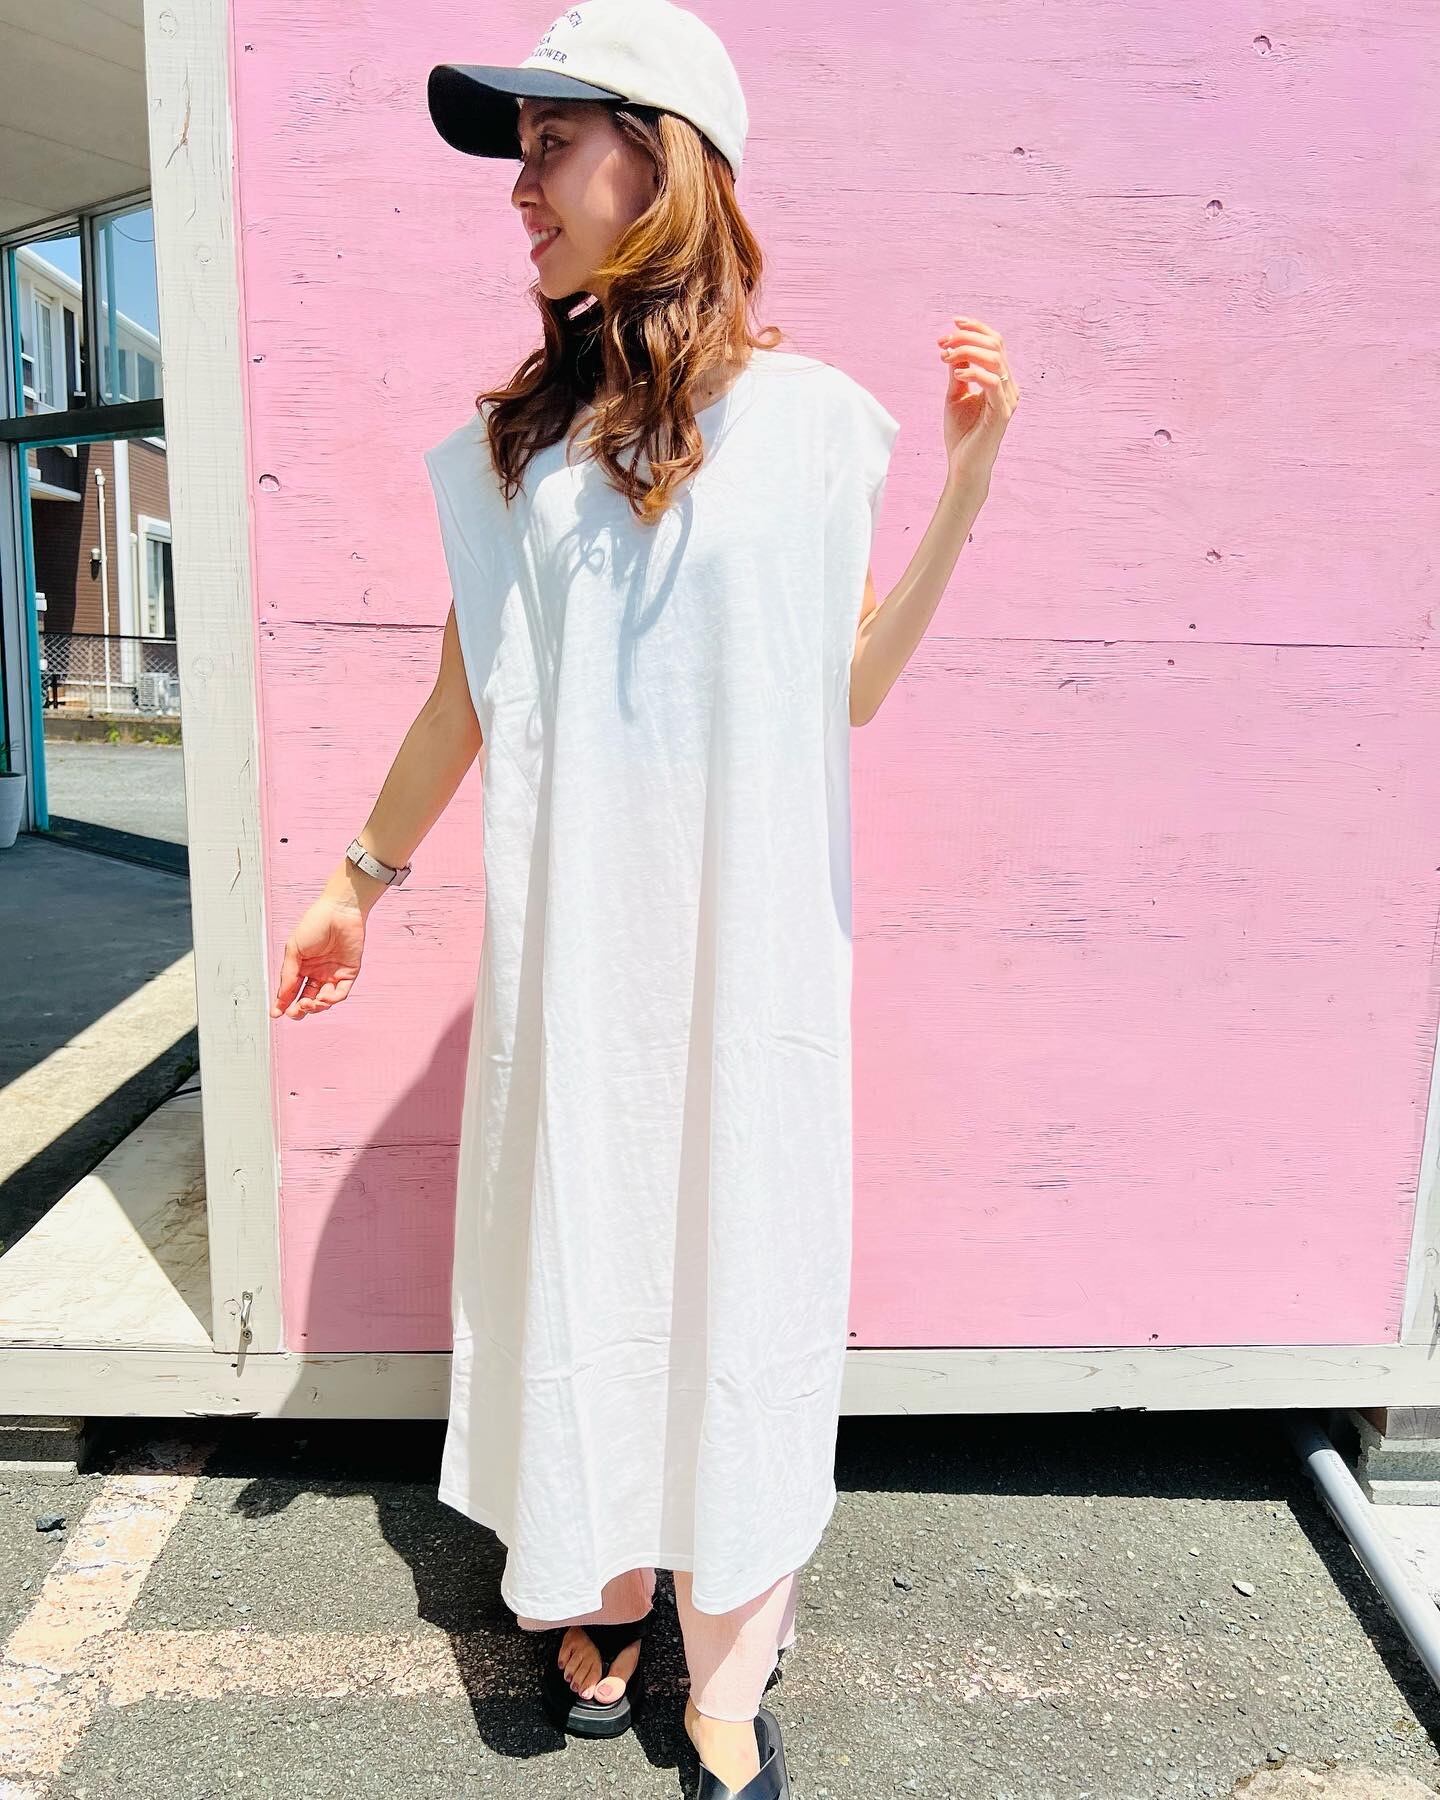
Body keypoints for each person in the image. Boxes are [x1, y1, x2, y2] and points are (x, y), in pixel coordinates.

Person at [270, 1, 1018, 1792]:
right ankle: (598, 1584)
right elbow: (463, 700)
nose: (519, 190)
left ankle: (729, 1662)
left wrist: (967, 486)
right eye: (518, 155)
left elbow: (846, 688)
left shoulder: (815, 424)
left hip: (751, 960)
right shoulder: (518, 451)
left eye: (551, 146)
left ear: (663, 159)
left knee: (743, 1258)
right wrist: (356, 882)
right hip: (581, 959)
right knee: (586, 1245)